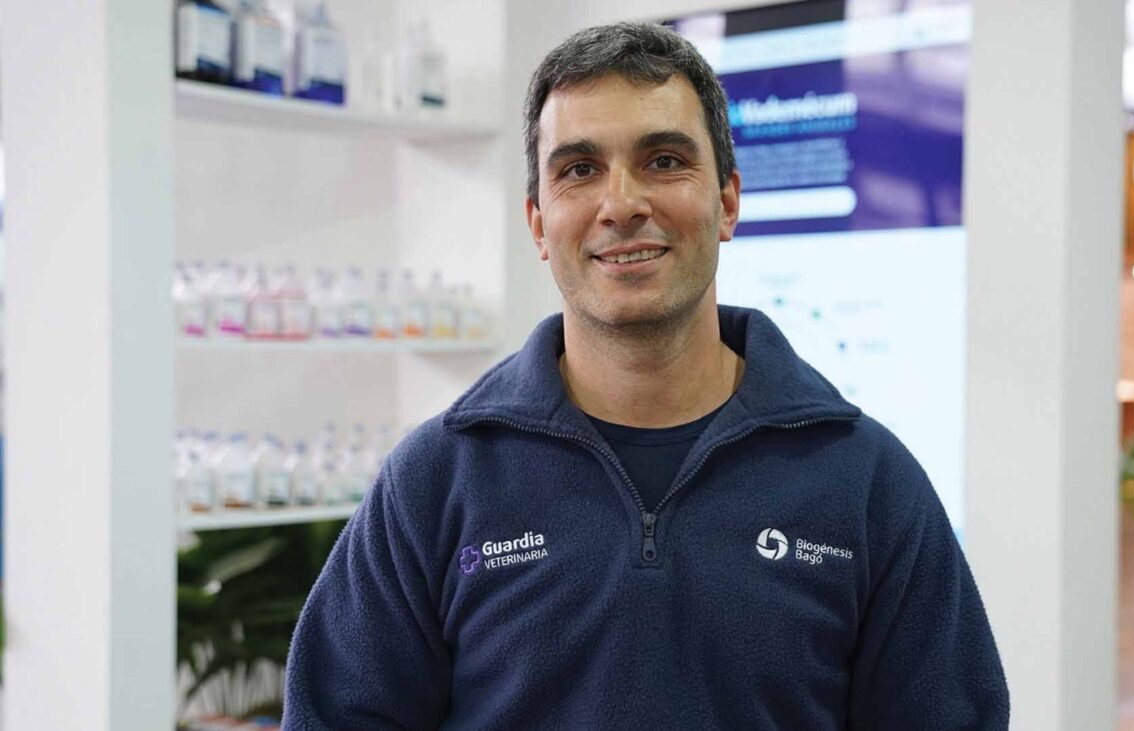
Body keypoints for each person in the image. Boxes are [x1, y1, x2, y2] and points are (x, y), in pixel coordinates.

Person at [282, 22, 1009, 729]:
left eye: (663, 161)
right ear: (539, 224)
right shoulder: (436, 481)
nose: (622, 204)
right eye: (579, 170)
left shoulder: (865, 483)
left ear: (727, 202)